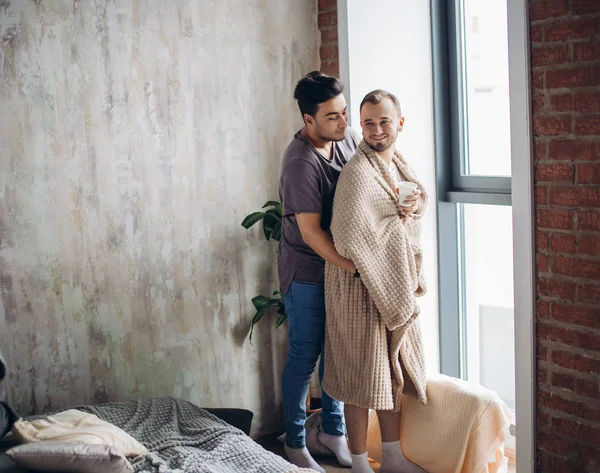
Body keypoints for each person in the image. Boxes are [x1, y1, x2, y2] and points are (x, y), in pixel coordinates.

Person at [322, 90, 429, 473]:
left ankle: (394, 455)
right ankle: (358, 462)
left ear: (399, 123)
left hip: (387, 283)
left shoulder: (397, 164)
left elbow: (404, 213)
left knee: (390, 373)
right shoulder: (357, 172)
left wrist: (412, 208)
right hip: (359, 288)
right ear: (360, 126)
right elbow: (350, 235)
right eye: (368, 122)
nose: (376, 129)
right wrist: (396, 223)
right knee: (360, 377)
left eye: (384, 121)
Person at [278, 71, 360, 472]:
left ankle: (333, 432)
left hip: (338, 270)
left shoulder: (344, 142)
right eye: (332, 117)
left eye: (344, 112)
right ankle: (294, 442)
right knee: (304, 356)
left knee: (338, 355)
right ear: (308, 120)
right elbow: (310, 233)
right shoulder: (299, 164)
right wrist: (354, 268)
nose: (344, 123)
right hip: (308, 272)